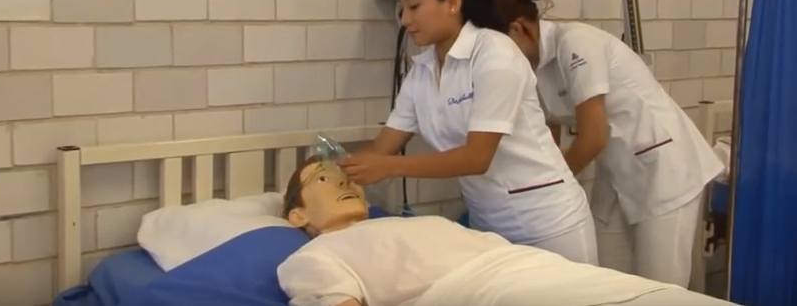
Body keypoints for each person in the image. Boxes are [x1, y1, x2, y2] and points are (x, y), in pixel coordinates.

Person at [336, 0, 598, 265]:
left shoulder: (495, 54)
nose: (405, 20)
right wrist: (333, 168)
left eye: (414, 6)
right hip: (489, 227)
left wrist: (390, 167)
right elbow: (382, 148)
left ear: (453, 1)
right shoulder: (421, 72)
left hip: (549, 224)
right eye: (403, 8)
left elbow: (477, 157)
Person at [491, 0, 724, 287]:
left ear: (517, 28)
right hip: (615, 170)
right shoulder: (532, 67)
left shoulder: (575, 43)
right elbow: (548, 137)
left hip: (664, 169)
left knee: (659, 285)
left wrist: (550, 189)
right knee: (606, 279)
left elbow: (593, 137)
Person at [277, 159, 680, 306]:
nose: (343, 181)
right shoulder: (313, 256)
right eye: (323, 178)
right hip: (477, 291)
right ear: (297, 215)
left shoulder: (403, 223)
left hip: (528, 266)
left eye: (346, 176)